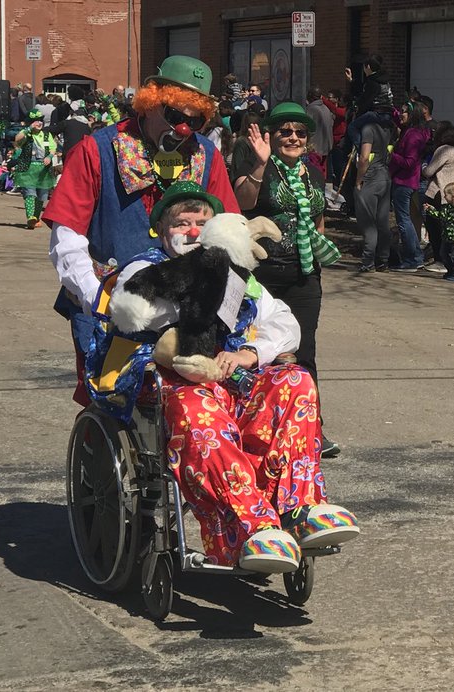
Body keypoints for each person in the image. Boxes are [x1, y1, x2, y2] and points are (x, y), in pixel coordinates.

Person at [107, 186, 359, 573]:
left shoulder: (241, 275)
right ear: (161, 228)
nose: (192, 231)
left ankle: (300, 508)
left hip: (235, 381)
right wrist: (200, 281)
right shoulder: (143, 268)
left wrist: (249, 353)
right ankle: (251, 526)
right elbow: (137, 315)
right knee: (199, 410)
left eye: (201, 223)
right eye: (182, 223)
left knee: (296, 381)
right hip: (177, 385)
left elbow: (287, 325)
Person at [43, 55, 239, 405]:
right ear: (150, 102)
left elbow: (227, 234)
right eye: (176, 116)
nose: (183, 129)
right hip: (109, 304)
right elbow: (67, 237)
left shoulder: (206, 156)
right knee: (109, 403)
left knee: (195, 403)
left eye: (194, 122)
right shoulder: (97, 149)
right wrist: (97, 298)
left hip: (185, 310)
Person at [231, 100, 343, 457]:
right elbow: (242, 202)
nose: (293, 138)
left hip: (303, 275)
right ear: (271, 135)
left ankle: (310, 430)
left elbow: (318, 218)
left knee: (303, 351)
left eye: (299, 133)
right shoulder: (256, 163)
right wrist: (262, 164)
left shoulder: (313, 174)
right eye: (285, 132)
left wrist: (317, 254)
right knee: (259, 349)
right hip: (262, 276)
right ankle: (253, 427)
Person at [389, 98, 432, 271]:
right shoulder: (411, 131)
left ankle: (412, 258)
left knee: (404, 221)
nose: (401, 114)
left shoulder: (413, 135)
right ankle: (416, 257)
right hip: (404, 180)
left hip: (405, 181)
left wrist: (391, 153)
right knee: (405, 220)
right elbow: (395, 116)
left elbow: (409, 162)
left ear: (412, 114)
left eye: (404, 111)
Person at [353, 93, 394, 273]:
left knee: (368, 222)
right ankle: (383, 259)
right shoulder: (390, 128)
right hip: (385, 176)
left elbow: (364, 157)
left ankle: (368, 261)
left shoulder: (369, 128)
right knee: (382, 221)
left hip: (370, 177)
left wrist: (358, 180)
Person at [421, 121, 454, 270]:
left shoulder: (443, 150)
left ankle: (440, 260)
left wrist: (423, 165)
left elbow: (429, 172)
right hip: (449, 193)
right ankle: (443, 259)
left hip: (437, 192)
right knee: (444, 228)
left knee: (434, 228)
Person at [12, 109, 59, 229]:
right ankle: (30, 217)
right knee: (30, 193)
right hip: (28, 168)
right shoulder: (26, 133)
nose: (39, 123)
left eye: (40, 121)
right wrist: (28, 129)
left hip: (43, 170)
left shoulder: (47, 135)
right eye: (35, 121)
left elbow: (53, 147)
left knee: (42, 195)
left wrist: (49, 156)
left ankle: (36, 218)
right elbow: (17, 139)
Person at [425, 182, 454, 281]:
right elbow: (440, 216)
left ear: (453, 196)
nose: (444, 197)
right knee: (443, 254)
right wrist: (430, 210)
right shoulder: (446, 208)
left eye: (446, 195)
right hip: (446, 237)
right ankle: (450, 271)